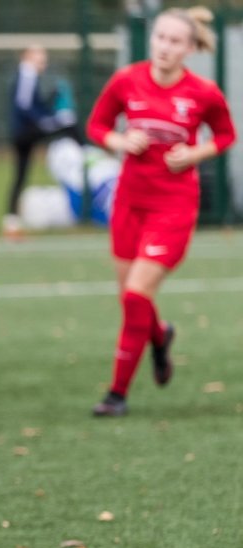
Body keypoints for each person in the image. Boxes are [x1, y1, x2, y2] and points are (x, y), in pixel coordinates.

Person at [87, 6, 235, 417]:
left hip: (173, 207)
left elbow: (225, 135)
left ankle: (116, 395)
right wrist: (119, 142)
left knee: (137, 293)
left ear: (190, 48)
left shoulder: (203, 92)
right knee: (131, 300)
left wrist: (194, 152)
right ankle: (160, 335)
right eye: (160, 37)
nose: (165, 47)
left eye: (175, 41)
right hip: (129, 203)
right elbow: (96, 127)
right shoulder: (126, 80)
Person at [5, 45, 80, 238]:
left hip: (24, 131)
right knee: (69, 125)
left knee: (21, 174)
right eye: (40, 60)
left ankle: (11, 222)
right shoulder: (27, 74)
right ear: (28, 57)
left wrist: (49, 104)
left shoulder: (28, 76)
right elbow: (24, 105)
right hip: (26, 131)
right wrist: (45, 121)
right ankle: (85, 155)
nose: (43, 64)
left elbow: (33, 104)